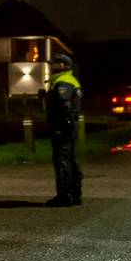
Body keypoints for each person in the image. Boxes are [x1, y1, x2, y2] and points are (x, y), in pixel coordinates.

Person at [44, 54, 83, 206]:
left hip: (62, 127)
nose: (50, 66)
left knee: (62, 161)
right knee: (70, 159)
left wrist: (60, 126)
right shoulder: (69, 80)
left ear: (61, 66)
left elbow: (64, 106)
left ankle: (64, 196)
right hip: (69, 126)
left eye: (53, 64)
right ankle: (75, 194)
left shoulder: (62, 82)